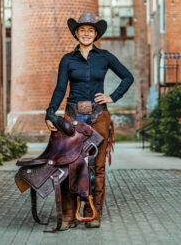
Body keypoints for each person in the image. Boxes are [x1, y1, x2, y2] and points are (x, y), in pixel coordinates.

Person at [45, 13, 134, 230]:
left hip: (98, 117)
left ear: (96, 34)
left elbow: (127, 76)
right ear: (76, 33)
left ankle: (92, 214)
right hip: (72, 117)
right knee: (69, 165)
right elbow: (60, 88)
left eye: (91, 30)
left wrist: (112, 96)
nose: (86, 34)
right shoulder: (67, 59)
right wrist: (50, 113)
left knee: (97, 167)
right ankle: (68, 216)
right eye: (82, 30)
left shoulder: (105, 57)